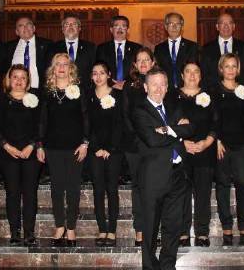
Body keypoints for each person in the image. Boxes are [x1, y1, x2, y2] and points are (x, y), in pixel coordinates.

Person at [132, 69, 193, 270]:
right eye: (154, 84)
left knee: (173, 226)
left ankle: (167, 266)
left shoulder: (174, 107)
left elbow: (191, 128)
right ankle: (150, 267)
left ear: (167, 87)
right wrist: (177, 131)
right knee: (150, 227)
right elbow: (151, 139)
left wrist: (166, 129)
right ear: (146, 87)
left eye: (162, 84)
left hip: (177, 175)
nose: (158, 89)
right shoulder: (139, 110)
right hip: (153, 177)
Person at [40, 53, 90, 247]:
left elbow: (86, 118)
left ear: (71, 68)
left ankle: (71, 227)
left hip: (76, 147)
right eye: (57, 64)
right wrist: (40, 145)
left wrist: (85, 143)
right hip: (53, 147)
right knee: (57, 188)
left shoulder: (79, 89)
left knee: (73, 189)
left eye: (65, 64)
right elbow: (43, 120)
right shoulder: (47, 91)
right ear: (53, 68)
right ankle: (59, 225)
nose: (61, 67)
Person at [0, 65, 43, 246]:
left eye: (23, 78)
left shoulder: (35, 100)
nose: (18, 81)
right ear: (9, 80)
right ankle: (15, 231)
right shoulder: (1, 100)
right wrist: (6, 146)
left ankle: (29, 232)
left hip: (30, 153)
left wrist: (32, 145)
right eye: (15, 77)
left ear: (28, 81)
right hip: (8, 153)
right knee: (12, 193)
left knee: (30, 193)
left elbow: (41, 125)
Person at [211, 53, 244, 246]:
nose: (230, 70)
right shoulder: (214, 91)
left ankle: (243, 222)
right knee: (222, 185)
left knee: (243, 183)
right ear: (221, 69)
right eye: (227, 66)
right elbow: (213, 118)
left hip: (241, 144)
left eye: (234, 66)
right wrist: (217, 140)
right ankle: (226, 224)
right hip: (222, 145)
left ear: (238, 69)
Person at [176, 61, 217, 247]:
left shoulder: (209, 96)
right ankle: (182, 232)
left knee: (203, 193)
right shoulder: (173, 96)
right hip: (181, 152)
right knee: (181, 193)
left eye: (196, 72)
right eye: (188, 72)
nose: (192, 75)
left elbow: (216, 123)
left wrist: (206, 142)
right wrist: (183, 142)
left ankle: (202, 232)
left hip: (204, 151)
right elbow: (168, 121)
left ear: (200, 76)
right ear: (182, 75)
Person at [120, 47, 157, 245]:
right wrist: (138, 137)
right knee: (138, 187)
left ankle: (154, 229)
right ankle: (140, 229)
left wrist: (152, 138)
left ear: (153, 63)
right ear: (135, 64)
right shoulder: (129, 86)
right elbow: (125, 115)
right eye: (139, 60)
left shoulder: (159, 82)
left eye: (146, 60)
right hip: (135, 145)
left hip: (155, 144)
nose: (143, 63)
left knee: (155, 187)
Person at [88, 61, 124, 246]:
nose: (99, 76)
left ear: (109, 74)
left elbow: (119, 124)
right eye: (95, 73)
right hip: (95, 151)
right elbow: (86, 125)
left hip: (114, 151)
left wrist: (110, 148)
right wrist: (95, 148)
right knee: (98, 189)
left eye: (102, 72)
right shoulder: (88, 97)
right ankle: (102, 229)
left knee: (112, 189)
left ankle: (112, 230)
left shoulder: (118, 95)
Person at [200, 12, 244, 88]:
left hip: (239, 92)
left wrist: (240, 89)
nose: (226, 26)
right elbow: (204, 74)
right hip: (214, 92)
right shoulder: (207, 49)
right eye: (222, 23)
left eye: (229, 23)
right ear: (217, 27)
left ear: (233, 26)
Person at [3, 16, 53, 91]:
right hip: (16, 91)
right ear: (16, 31)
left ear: (34, 28)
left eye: (28, 24)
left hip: (39, 91)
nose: (25, 27)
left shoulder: (47, 45)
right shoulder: (8, 47)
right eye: (21, 26)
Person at [154, 12, 200, 89]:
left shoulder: (192, 46)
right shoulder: (159, 48)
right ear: (166, 26)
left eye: (178, 24)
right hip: (165, 90)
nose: (174, 27)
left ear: (182, 27)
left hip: (187, 89)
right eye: (171, 24)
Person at [96, 15, 142, 89]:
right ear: (111, 29)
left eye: (123, 26)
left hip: (131, 89)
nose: (120, 29)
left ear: (128, 30)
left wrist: (127, 83)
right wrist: (111, 83)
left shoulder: (137, 48)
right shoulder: (102, 48)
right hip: (108, 88)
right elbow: (98, 69)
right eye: (116, 26)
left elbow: (140, 70)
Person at [53, 15, 97, 86]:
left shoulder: (90, 47)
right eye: (67, 24)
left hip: (85, 91)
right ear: (62, 29)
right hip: (60, 90)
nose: (70, 26)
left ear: (79, 28)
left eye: (74, 24)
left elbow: (95, 70)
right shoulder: (53, 47)